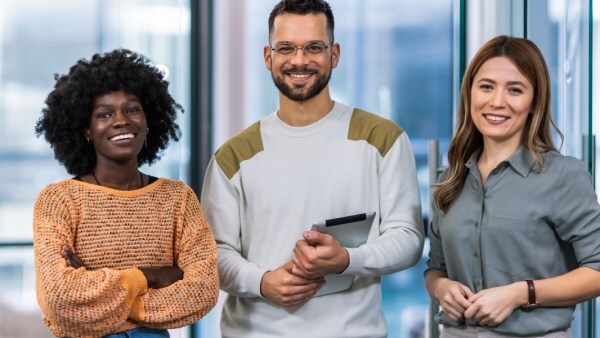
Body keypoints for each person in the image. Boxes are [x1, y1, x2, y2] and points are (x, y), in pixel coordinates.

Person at [200, 0, 424, 337]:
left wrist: (347, 259)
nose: (300, 60)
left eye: (314, 47)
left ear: (334, 54)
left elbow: (407, 238)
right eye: (286, 48)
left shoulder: (383, 140)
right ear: (268, 57)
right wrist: (262, 282)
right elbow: (211, 254)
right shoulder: (233, 156)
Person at [33, 49, 219, 338]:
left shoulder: (177, 199)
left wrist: (98, 294)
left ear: (148, 120)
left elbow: (202, 292)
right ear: (87, 130)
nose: (121, 120)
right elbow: (59, 300)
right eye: (104, 114)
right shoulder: (59, 200)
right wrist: (151, 275)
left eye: (132, 109)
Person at [425, 35, 600, 337]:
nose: (497, 101)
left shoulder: (562, 176)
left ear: (534, 102)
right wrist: (442, 287)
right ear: (469, 94)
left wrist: (522, 293)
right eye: (486, 86)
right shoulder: (450, 178)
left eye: (515, 90)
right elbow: (436, 267)